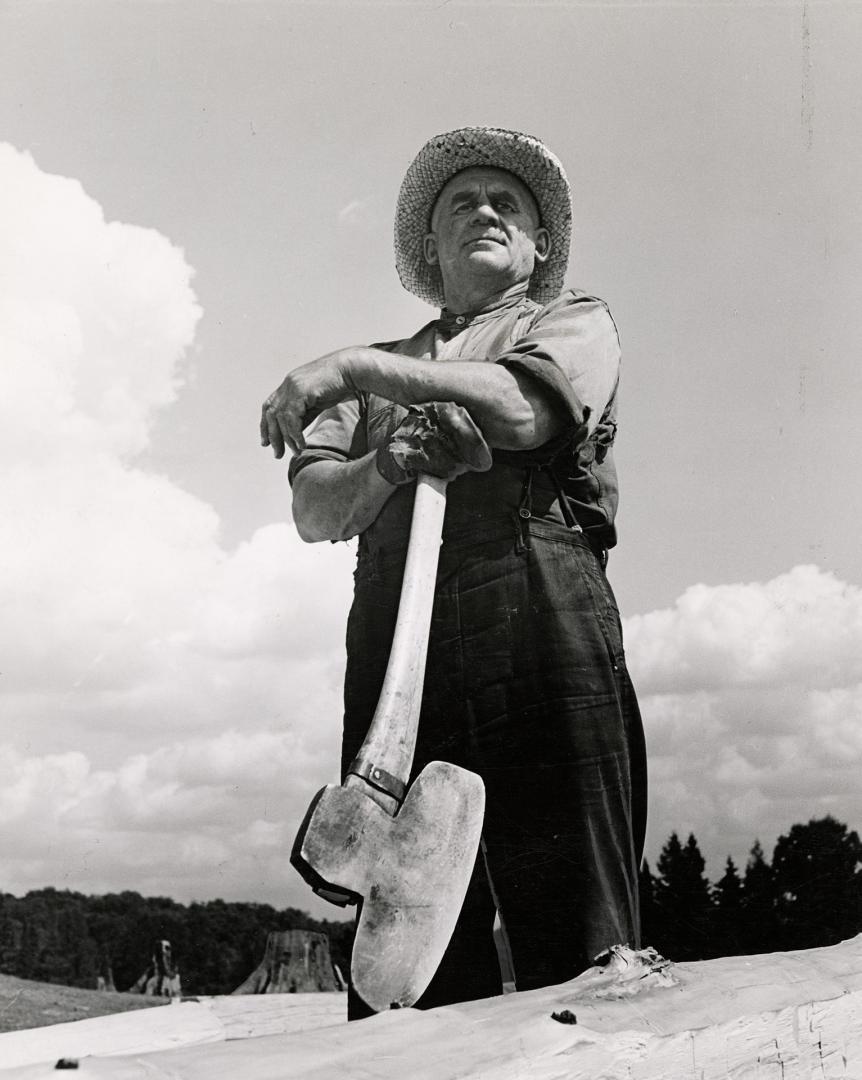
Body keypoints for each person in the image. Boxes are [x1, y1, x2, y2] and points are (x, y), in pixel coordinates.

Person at [261, 127, 647, 1018]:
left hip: (543, 623)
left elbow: (521, 411)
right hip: (401, 651)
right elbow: (316, 509)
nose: (484, 211)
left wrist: (355, 368)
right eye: (460, 204)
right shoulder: (373, 389)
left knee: (584, 950)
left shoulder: (570, 323)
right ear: (430, 248)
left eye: (506, 205)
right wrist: (388, 461)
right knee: (408, 970)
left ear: (538, 245)